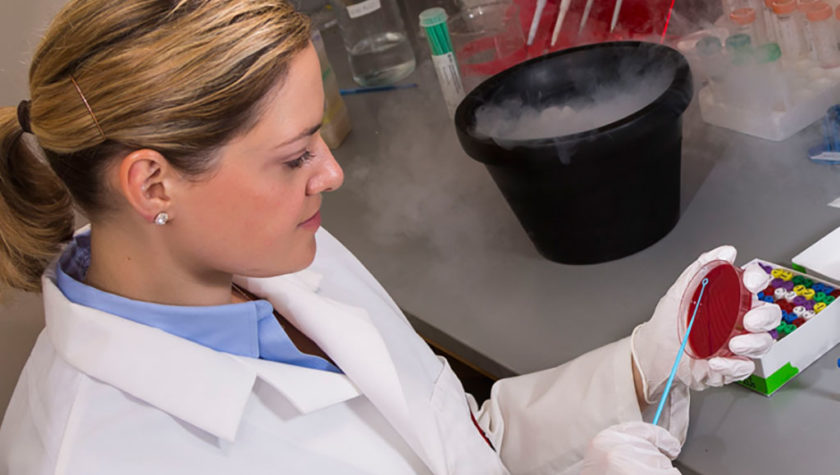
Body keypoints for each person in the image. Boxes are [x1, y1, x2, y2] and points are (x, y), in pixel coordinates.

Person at [0, 1, 781, 473]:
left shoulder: (274, 257)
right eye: (294, 154)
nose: (331, 174)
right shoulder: (98, 453)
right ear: (152, 184)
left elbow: (462, 441)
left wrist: (642, 367)